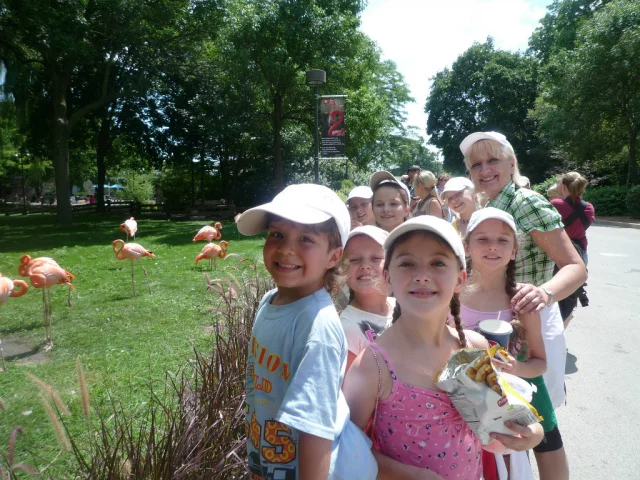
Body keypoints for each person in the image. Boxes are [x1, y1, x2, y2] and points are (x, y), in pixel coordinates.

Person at [344, 216, 544, 479]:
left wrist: (529, 434)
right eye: (407, 263)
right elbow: (347, 448)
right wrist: (408, 475)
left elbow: (492, 429)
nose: (422, 276)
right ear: (387, 277)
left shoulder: (472, 346)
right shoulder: (373, 366)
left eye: (438, 263)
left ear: (460, 278)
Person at [461, 132, 586, 479]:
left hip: (527, 325)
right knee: (504, 428)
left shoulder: (525, 202)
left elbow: (576, 267)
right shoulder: (490, 206)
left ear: (512, 163)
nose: (485, 170)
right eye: (476, 164)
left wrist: (542, 294)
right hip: (490, 324)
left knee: (541, 428)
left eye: (493, 160)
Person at [236, 184, 377, 480]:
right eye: (277, 234)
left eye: (305, 239)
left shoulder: (317, 328)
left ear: (333, 257)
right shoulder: (270, 301)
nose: (286, 248)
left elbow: (315, 431)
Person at [461, 208, 558, 480]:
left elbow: (539, 363)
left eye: (502, 240)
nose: (492, 246)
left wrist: (515, 367)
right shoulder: (451, 293)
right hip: (459, 408)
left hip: (503, 413)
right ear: (466, 247)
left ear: (514, 251)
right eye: (482, 239)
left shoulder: (521, 300)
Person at [340, 225, 394, 373]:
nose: (365, 266)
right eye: (355, 260)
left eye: (376, 258)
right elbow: (349, 384)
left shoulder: (401, 307)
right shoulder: (347, 327)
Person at [551, 172, 595, 327]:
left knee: (554, 295)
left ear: (564, 187)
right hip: (581, 254)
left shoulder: (556, 204)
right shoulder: (589, 207)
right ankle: (562, 330)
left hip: (560, 254)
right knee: (570, 295)